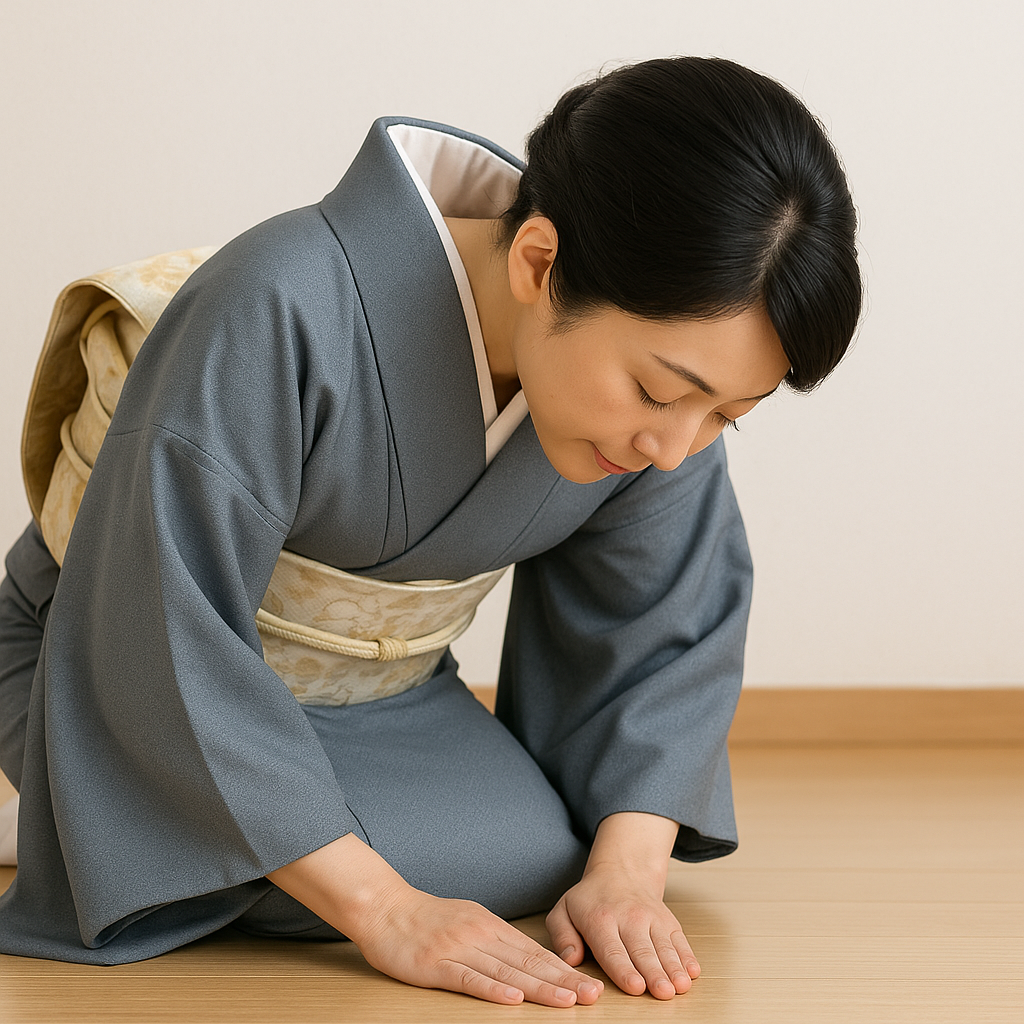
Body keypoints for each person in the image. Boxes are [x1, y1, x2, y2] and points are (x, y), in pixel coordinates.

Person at [0, 56, 861, 1006]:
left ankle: (124, 828)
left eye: (724, 415)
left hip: (386, 702)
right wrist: (383, 911)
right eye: (661, 391)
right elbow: (155, 620)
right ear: (539, 261)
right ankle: (77, 792)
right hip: (117, 673)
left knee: (537, 854)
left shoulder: (662, 418)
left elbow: (660, 623)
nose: (674, 448)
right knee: (361, 869)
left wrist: (626, 879)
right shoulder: (279, 300)